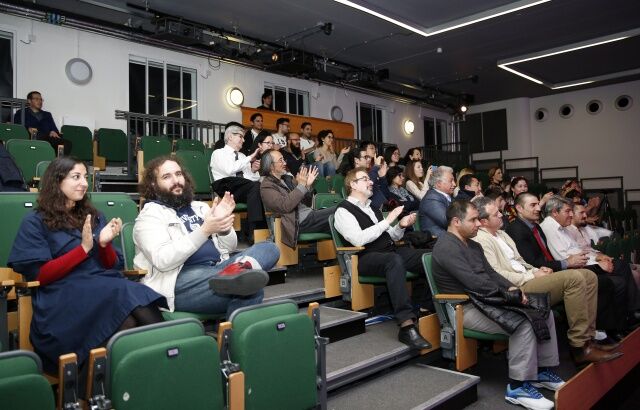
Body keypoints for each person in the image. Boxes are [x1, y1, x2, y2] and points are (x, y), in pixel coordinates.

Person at [7, 157, 165, 372]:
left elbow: (111, 266)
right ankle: (171, 356)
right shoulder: (35, 221)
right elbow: (40, 275)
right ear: (57, 181)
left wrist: (104, 244)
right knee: (126, 292)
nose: (83, 183)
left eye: (85, 177)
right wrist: (82, 249)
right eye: (76, 177)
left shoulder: (94, 216)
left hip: (100, 289)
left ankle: (102, 381)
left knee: (129, 315)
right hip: (61, 297)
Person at [432, 200, 563, 410]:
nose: (479, 224)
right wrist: (510, 295)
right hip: (465, 308)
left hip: (487, 301)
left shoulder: (473, 244)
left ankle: (540, 371)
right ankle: (517, 388)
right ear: (456, 222)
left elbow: (492, 274)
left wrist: (512, 288)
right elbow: (474, 283)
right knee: (524, 323)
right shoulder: (446, 247)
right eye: (473, 220)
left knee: (543, 311)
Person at [471, 197, 621, 364]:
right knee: (574, 277)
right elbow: (497, 274)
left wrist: (538, 270)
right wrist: (532, 275)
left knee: (589, 276)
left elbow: (521, 262)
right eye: (496, 214)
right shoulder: (481, 240)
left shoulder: (502, 234)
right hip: (517, 286)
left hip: (529, 277)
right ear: (483, 222)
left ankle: (589, 339)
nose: (501, 215)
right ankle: (579, 347)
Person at [134, 156, 279, 318]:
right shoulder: (149, 217)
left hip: (217, 269)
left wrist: (223, 227)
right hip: (178, 281)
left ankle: (235, 274)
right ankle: (236, 277)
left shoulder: (200, 207)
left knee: (270, 248)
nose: (176, 180)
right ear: (154, 185)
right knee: (252, 290)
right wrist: (204, 231)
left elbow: (229, 247)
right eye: (167, 177)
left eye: (178, 174)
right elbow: (163, 260)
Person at [334, 167, 432, 350]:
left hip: (390, 251)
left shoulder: (372, 207)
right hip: (365, 257)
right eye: (365, 179)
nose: (371, 181)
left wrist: (400, 225)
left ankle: (426, 309)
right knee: (393, 261)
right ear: (352, 184)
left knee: (429, 257)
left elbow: (391, 236)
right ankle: (406, 326)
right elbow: (357, 239)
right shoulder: (343, 210)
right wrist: (388, 220)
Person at [505, 192, 622, 341]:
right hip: (537, 276)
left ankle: (591, 332)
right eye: (533, 205)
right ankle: (582, 340)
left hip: (549, 269)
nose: (538, 208)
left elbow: (546, 257)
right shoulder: (516, 230)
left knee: (593, 276)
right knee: (590, 279)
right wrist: (566, 263)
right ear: (519, 208)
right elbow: (533, 262)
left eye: (538, 204)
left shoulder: (535, 227)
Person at [540, 195, 640, 331]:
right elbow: (567, 259)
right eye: (567, 211)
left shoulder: (561, 227)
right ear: (554, 212)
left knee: (620, 267)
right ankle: (617, 325)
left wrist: (599, 257)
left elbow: (579, 250)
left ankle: (627, 317)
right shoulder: (550, 228)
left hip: (584, 263)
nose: (571, 215)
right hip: (575, 270)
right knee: (617, 281)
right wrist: (598, 265)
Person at [260, 150, 334, 248]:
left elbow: (306, 203)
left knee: (341, 216)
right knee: (342, 209)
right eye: (281, 160)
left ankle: (348, 251)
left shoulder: (287, 179)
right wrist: (302, 185)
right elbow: (285, 206)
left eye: (284, 159)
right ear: (270, 166)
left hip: (309, 216)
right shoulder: (267, 186)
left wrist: (307, 186)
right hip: (297, 223)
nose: (285, 163)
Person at [210, 124, 266, 237]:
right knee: (255, 187)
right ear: (230, 137)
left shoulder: (242, 156)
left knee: (260, 188)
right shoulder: (218, 153)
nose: (243, 140)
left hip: (241, 188)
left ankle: (255, 231)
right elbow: (229, 170)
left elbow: (250, 178)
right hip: (225, 186)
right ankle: (255, 231)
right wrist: (250, 157)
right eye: (240, 136)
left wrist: (254, 171)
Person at [14, 91, 72, 155]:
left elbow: (55, 129)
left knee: (67, 143)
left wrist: (53, 131)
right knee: (36, 135)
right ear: (29, 101)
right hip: (31, 137)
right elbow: (18, 127)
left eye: (41, 99)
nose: (40, 101)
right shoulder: (21, 112)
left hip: (47, 138)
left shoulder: (47, 114)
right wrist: (28, 128)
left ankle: (58, 160)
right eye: (36, 99)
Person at [418, 165, 456, 237]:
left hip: (448, 237)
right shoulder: (431, 198)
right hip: (437, 240)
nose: (454, 184)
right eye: (451, 181)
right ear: (438, 183)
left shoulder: (447, 196)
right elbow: (447, 222)